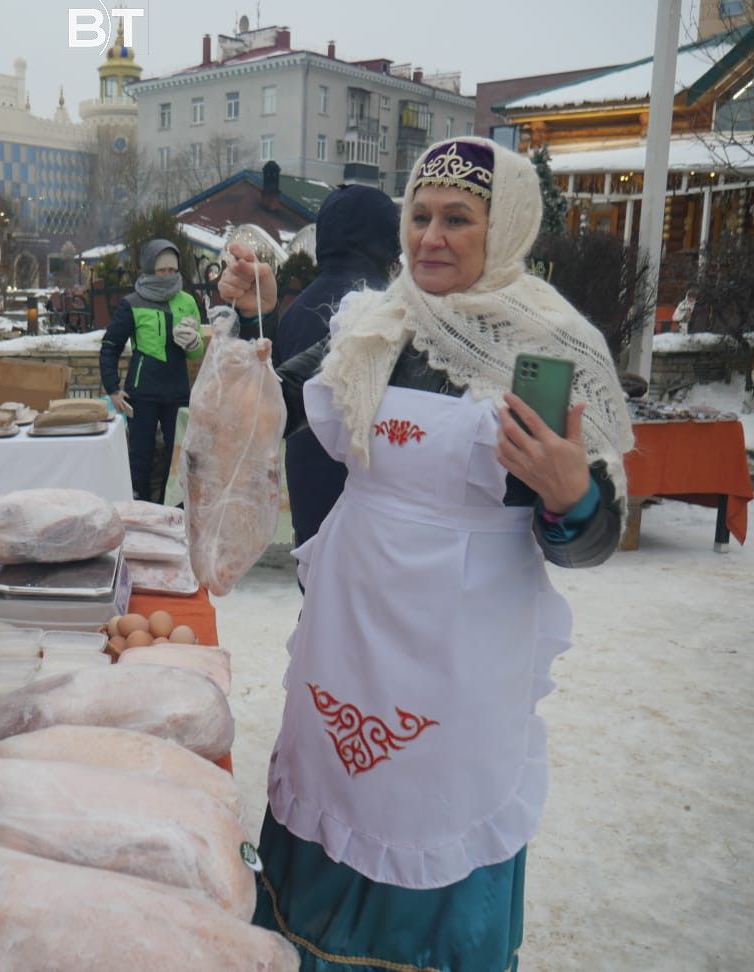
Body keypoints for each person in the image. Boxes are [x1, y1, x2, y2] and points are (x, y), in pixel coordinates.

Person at [220, 137, 635, 969]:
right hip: (354, 618)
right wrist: (244, 338)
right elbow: (268, 404)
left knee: (433, 809)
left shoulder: (547, 349)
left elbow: (588, 542)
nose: (430, 238)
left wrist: (572, 497)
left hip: (462, 644)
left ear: (506, 228)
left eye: (457, 219)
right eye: (419, 217)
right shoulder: (374, 328)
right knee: (334, 783)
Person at [272, 184, 400, 548]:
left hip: (307, 479)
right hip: (365, 484)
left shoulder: (296, 309)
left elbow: (280, 394)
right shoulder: (385, 308)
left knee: (316, 590)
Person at [99, 239, 204, 501]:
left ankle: (175, 510)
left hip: (177, 390)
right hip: (143, 391)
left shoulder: (187, 301)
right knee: (140, 455)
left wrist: (194, 342)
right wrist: (113, 388)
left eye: (172, 270)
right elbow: (110, 346)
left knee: (178, 455)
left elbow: (196, 352)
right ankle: (140, 508)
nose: (168, 276)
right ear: (148, 270)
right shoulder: (132, 303)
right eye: (161, 271)